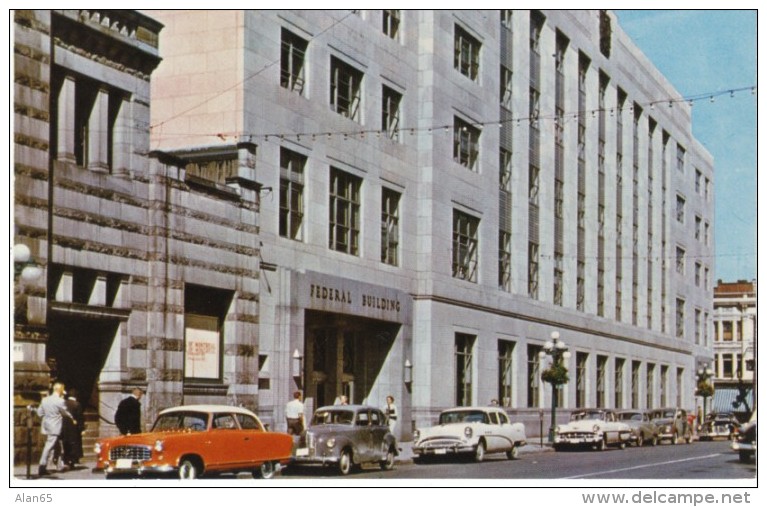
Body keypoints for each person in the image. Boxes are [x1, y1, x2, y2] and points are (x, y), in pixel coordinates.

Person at [36, 383, 76, 476]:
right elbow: (65, 412)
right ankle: (42, 466)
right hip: (55, 427)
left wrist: (47, 418)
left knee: (56, 446)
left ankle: (57, 465)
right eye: (63, 389)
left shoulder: (45, 400)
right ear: (60, 390)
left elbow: (39, 413)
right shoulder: (59, 401)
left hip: (46, 426)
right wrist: (72, 418)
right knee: (49, 447)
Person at [61, 388, 85, 467]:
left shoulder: (63, 403)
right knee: (74, 444)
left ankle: (66, 459)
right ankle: (73, 460)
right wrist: (82, 428)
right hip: (74, 428)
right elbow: (80, 418)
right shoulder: (77, 404)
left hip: (64, 427)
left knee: (66, 443)